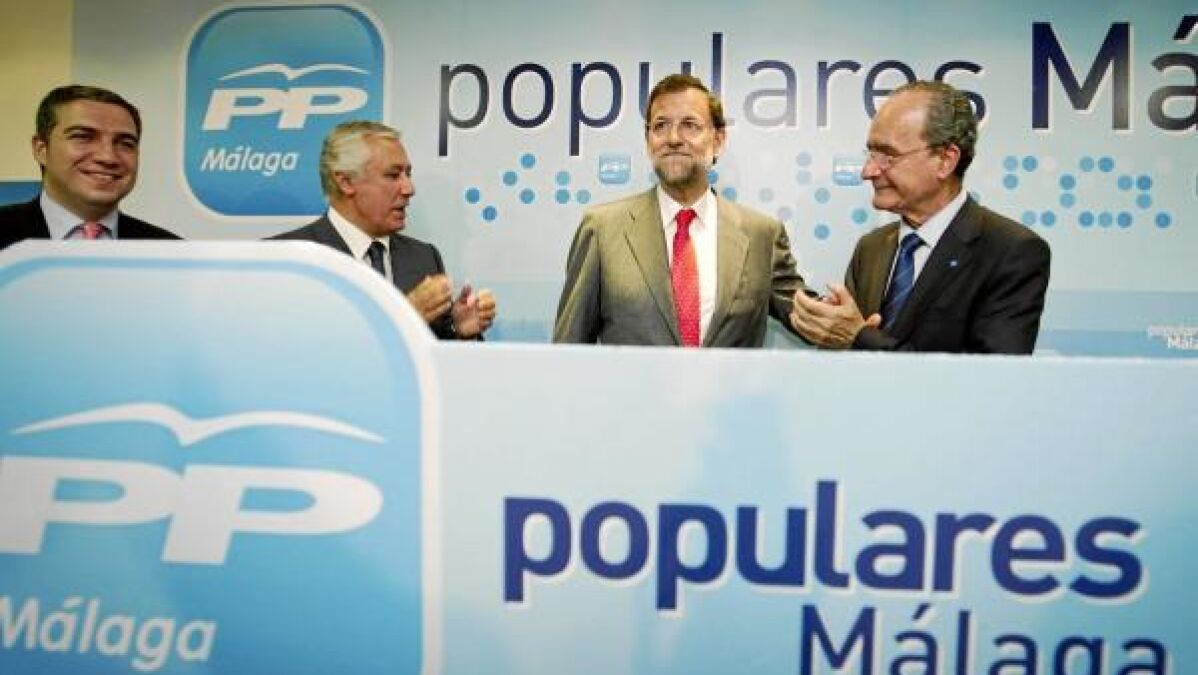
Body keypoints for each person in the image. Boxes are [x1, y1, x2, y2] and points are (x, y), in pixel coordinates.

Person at [788, 80, 1051, 354]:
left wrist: (859, 336)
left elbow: (991, 374)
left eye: (888, 156)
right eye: (871, 154)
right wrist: (833, 329)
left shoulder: (1011, 252)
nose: (868, 171)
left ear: (945, 160)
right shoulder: (871, 248)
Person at [554, 74, 813, 347]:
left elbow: (812, 317)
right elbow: (568, 349)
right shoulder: (601, 230)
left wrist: (841, 322)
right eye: (660, 126)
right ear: (648, 140)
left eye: (690, 125)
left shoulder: (762, 235)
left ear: (718, 140)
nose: (673, 138)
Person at [274, 120, 495, 340]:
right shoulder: (285, 259)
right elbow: (290, 351)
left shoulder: (424, 258)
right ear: (346, 182)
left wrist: (459, 331)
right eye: (393, 175)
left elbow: (435, 352)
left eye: (408, 174)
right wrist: (404, 316)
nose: (409, 189)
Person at [0, 85, 179, 249]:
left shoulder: (171, 252)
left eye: (125, 143)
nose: (108, 157)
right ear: (41, 149)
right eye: (83, 137)